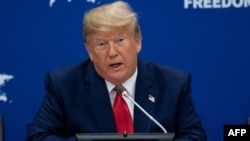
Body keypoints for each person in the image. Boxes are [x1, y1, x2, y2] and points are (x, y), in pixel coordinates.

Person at [26, 1, 207, 141]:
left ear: (137, 42)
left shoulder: (173, 83)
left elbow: (195, 136)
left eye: (120, 40)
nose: (112, 52)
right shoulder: (64, 85)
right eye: (101, 44)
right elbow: (37, 136)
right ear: (89, 50)